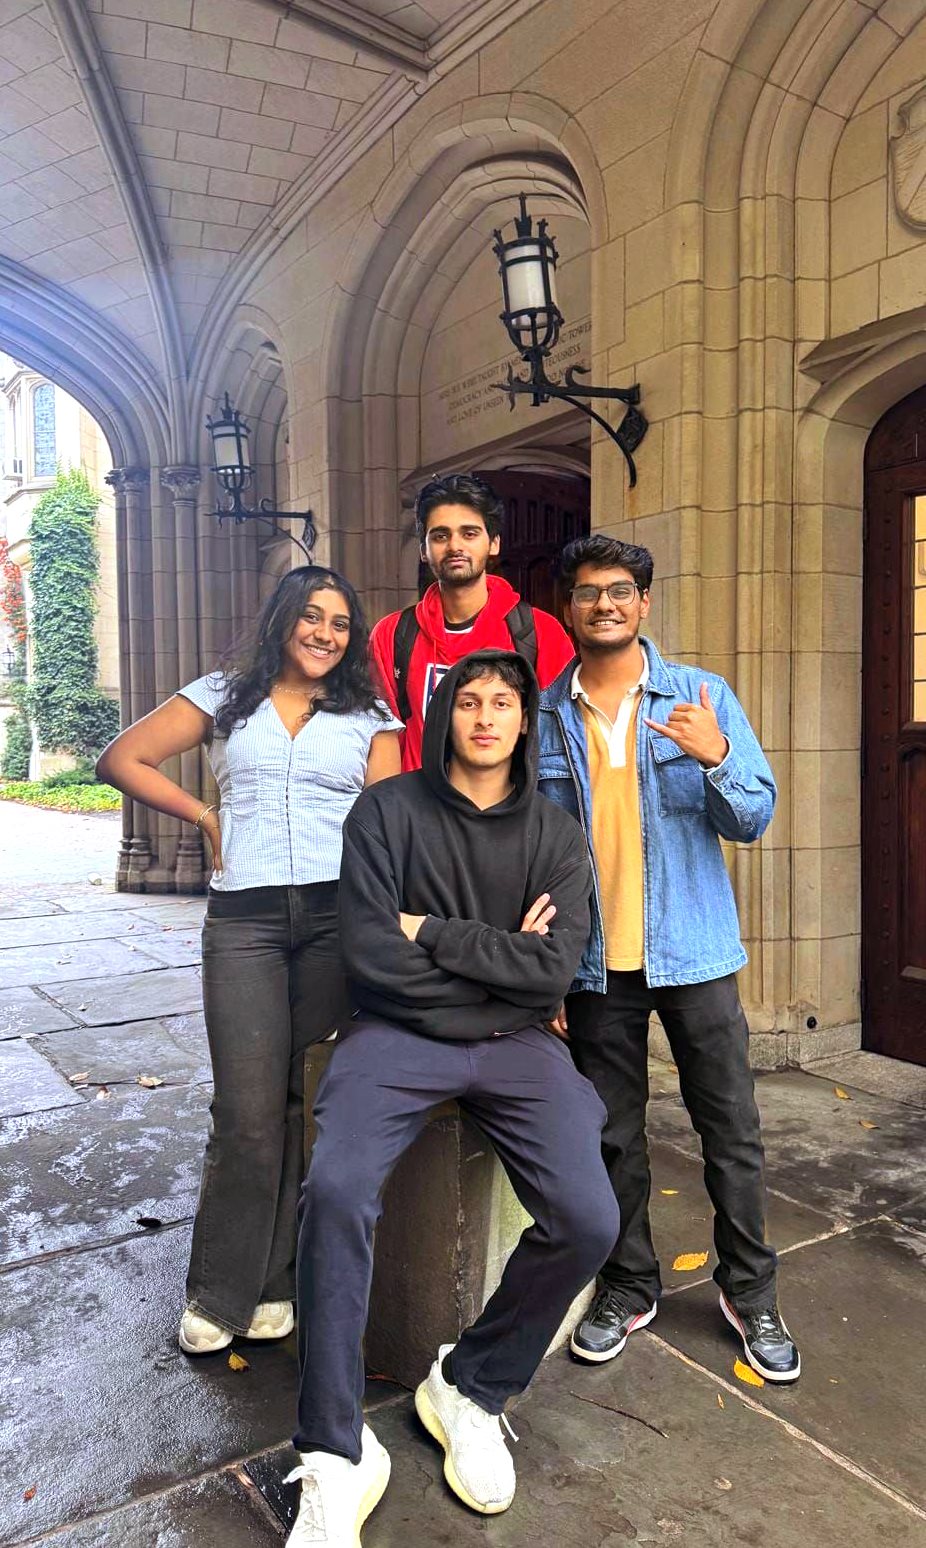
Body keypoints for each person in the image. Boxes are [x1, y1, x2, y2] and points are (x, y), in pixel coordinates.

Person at [283, 649, 620, 1546]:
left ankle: (470, 1384)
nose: (483, 717)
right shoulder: (387, 813)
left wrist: (429, 931)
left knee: (590, 1218)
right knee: (338, 1191)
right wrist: (495, 971)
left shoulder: (554, 834)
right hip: (394, 1038)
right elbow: (367, 954)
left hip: (516, 1047)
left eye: (501, 703)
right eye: (467, 701)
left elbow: (554, 967)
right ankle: (335, 1448)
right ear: (444, 714)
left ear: (523, 719)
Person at [97, 565, 402, 1356]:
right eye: (311, 616)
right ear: (282, 620)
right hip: (246, 921)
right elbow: (122, 758)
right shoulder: (223, 695)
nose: (325, 633)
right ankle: (219, 1288)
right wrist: (204, 813)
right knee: (245, 1108)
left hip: (339, 918)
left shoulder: (369, 716)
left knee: (305, 1101)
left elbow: (394, 823)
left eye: (339, 622)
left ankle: (276, 1282)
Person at [536, 534, 801, 1384]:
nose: (604, 604)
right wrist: (544, 963)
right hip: (594, 964)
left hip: (694, 953)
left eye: (620, 590)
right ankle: (630, 1283)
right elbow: (534, 848)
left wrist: (716, 756)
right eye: (587, 593)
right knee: (613, 1136)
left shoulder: (700, 695)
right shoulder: (545, 710)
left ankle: (750, 1290)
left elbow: (754, 816)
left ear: (645, 602)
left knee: (731, 1128)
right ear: (568, 608)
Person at [369, 471, 575, 770]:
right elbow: (380, 737)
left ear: (493, 543)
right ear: (423, 550)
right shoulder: (392, 634)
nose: (455, 546)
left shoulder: (538, 632)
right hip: (419, 811)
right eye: (440, 535)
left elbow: (560, 736)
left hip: (506, 810)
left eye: (469, 533)